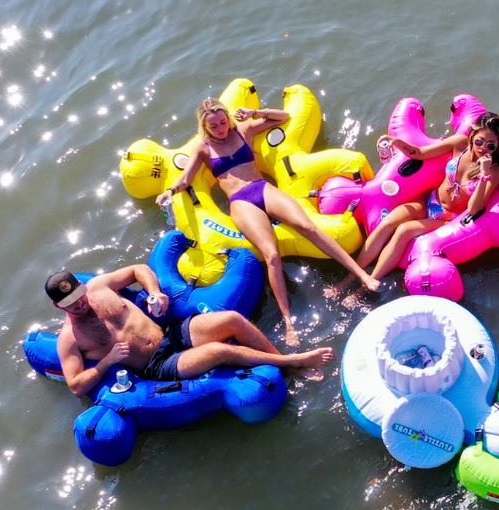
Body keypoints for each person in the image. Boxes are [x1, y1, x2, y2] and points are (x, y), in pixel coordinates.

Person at [155, 98, 380, 345]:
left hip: (262, 188)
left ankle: (361, 274)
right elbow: (186, 179)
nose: (220, 128)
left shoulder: (243, 129)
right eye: (214, 126)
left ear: (228, 118)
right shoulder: (203, 148)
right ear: (205, 127)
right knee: (271, 255)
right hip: (241, 202)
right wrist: (169, 191)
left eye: (222, 121)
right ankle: (289, 323)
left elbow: (282, 117)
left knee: (307, 227)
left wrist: (254, 112)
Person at [45, 266, 333, 398]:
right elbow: (75, 386)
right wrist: (107, 361)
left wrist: (154, 292)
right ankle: (294, 362)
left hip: (170, 332)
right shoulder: (70, 337)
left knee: (232, 319)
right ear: (59, 306)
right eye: (71, 303)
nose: (80, 302)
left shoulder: (99, 287)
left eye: (79, 295)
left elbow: (137, 270)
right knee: (221, 351)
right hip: (157, 365)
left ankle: (285, 364)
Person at [325, 111, 499, 301]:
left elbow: (474, 209)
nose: (483, 148)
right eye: (480, 141)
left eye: (491, 145)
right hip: (429, 200)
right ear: (472, 135)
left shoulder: (495, 171)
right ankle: (349, 279)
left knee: (404, 230)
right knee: (387, 223)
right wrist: (396, 142)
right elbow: (421, 153)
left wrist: (483, 175)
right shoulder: (459, 144)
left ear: (497, 147)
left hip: (447, 218)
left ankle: (365, 288)